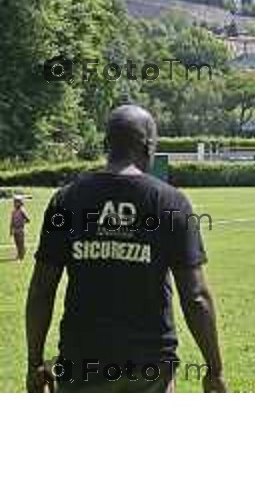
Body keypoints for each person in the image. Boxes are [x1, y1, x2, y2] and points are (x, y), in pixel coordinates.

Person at [25, 104, 226, 393]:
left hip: (81, 362)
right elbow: (195, 297)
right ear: (149, 146)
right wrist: (214, 370)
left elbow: (41, 290)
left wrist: (35, 363)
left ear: (106, 144)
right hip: (149, 366)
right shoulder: (171, 203)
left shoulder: (66, 200)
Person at [10, 195, 30, 260]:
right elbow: (12, 221)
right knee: (17, 243)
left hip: (20, 229)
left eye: (16, 202)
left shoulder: (22, 211)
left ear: (20, 203)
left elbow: (28, 220)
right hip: (15, 229)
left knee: (21, 242)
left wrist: (22, 223)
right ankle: (19, 253)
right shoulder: (13, 212)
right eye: (14, 202)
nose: (15, 203)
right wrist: (11, 230)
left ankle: (21, 255)